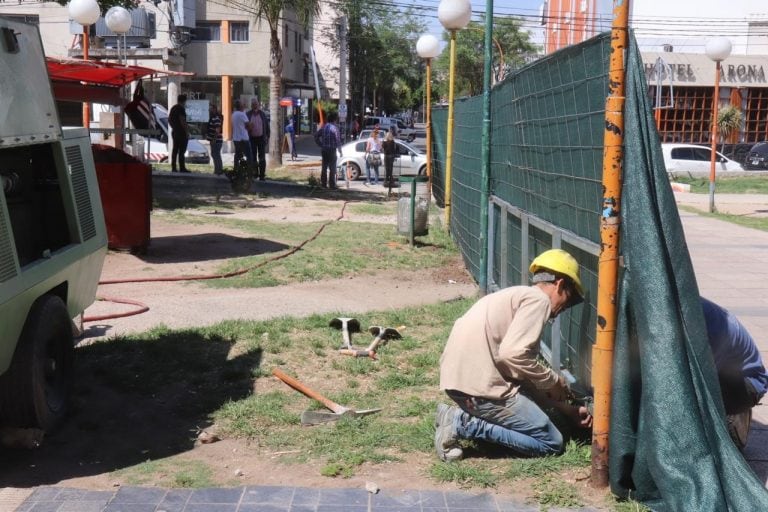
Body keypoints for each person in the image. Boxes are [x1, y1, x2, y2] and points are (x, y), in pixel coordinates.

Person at [436, 249, 593, 462]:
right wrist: (553, 381)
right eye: (570, 297)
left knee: (536, 412)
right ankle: (461, 424)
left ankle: (462, 419)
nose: (565, 307)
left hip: (459, 382)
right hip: (477, 390)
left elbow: (519, 374)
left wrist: (566, 409)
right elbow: (513, 354)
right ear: (560, 284)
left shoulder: (518, 295)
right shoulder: (539, 301)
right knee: (550, 441)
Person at [701, 297, 768, 449]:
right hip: (724, 371)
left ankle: (735, 418)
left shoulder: (710, 328)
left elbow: (697, 383)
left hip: (746, 385)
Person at [314, 111, 343, 189]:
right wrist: (340, 151)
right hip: (332, 150)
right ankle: (332, 185)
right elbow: (338, 140)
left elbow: (316, 136)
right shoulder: (335, 128)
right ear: (334, 120)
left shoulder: (324, 127)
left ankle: (323, 184)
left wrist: (320, 144)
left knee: (324, 167)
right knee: (332, 168)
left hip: (324, 150)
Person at [247, 99, 270, 181]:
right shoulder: (248, 114)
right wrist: (249, 128)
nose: (255, 106)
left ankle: (262, 175)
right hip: (252, 139)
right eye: (253, 104)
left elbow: (266, 126)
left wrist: (267, 136)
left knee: (262, 157)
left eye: (256, 104)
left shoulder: (262, 114)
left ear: (258, 105)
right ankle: (255, 174)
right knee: (253, 157)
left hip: (261, 138)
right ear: (251, 106)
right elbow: (245, 126)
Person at [168, 94, 190, 173]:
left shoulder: (173, 108)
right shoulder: (181, 109)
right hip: (181, 133)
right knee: (181, 151)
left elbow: (169, 120)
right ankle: (182, 167)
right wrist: (187, 132)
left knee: (175, 150)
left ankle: (173, 167)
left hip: (175, 132)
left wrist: (174, 127)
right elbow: (182, 121)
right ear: (184, 101)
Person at [231, 99, 252, 167]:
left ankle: (236, 168)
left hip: (236, 138)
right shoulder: (242, 114)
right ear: (240, 106)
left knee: (237, 154)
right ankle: (249, 169)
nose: (244, 105)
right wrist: (251, 125)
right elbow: (248, 125)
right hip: (243, 138)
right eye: (243, 104)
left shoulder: (234, 114)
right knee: (249, 155)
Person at [206, 103, 224, 175]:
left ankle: (218, 170)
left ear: (214, 109)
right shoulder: (212, 118)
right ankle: (218, 170)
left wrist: (214, 139)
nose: (209, 110)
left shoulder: (215, 118)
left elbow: (217, 130)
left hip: (216, 141)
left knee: (216, 155)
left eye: (210, 109)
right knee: (215, 154)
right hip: (214, 140)